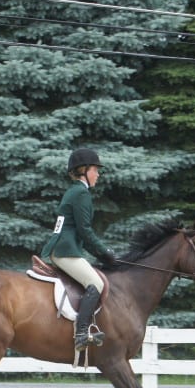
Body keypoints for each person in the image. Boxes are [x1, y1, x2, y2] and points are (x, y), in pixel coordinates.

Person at [40, 147, 116, 350]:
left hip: (63, 247)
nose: (98, 174)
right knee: (95, 283)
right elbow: (84, 231)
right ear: (84, 170)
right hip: (66, 250)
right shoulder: (81, 194)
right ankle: (81, 333)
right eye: (95, 170)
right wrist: (104, 253)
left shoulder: (74, 192)